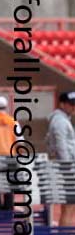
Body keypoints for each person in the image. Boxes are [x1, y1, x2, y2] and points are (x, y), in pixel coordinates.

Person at [46, 90, 75, 227]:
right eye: (71, 104)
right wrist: (68, 167)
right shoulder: (60, 122)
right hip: (67, 169)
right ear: (62, 104)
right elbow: (61, 146)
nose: (74, 107)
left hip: (65, 168)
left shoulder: (61, 120)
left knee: (68, 208)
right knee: (68, 208)